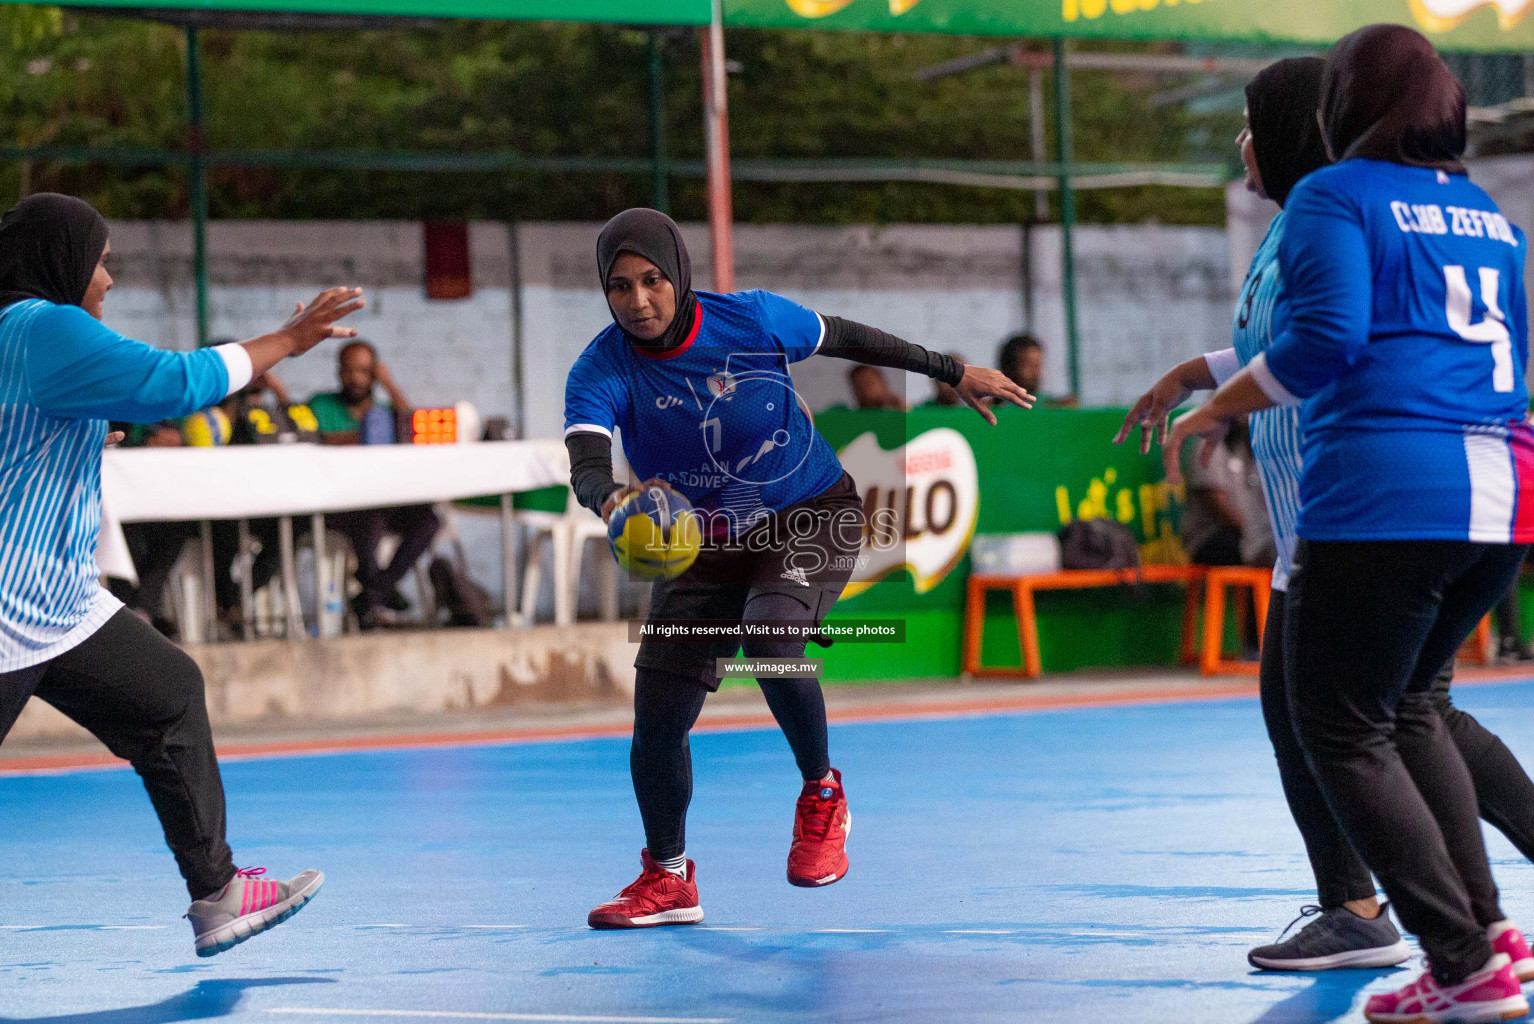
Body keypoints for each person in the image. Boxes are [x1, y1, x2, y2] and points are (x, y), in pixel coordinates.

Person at [1165, 28, 1534, 1021]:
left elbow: (1323, 341)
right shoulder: (1488, 216)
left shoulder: (1334, 196)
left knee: (1340, 724)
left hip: (1384, 492)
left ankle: (1456, 957)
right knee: (1411, 709)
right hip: (1500, 497)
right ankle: (1486, 939)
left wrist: (1218, 404)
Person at [565, 208, 1030, 928]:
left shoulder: (751, 320)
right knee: (656, 718)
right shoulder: (602, 368)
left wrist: (951, 369)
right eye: (619, 287)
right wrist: (616, 500)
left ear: (679, 275)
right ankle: (668, 877)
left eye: (653, 280)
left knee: (773, 639)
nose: (639, 302)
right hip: (702, 541)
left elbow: (847, 336)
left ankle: (821, 793)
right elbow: (588, 463)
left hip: (809, 510)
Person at [0, 193, 363, 956]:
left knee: (167, 693)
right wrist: (286, 341)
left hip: (55, 603)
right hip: (7, 607)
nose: (108, 279)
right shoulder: (42, 325)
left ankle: (217, 893)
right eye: (100, 260)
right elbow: (177, 381)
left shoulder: (18, 337)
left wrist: (98, 424)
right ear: (61, 260)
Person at [308, 340, 439, 628]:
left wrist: (389, 385)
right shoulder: (320, 404)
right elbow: (314, 441)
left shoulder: (383, 410)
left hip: (384, 500)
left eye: (364, 371)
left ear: (374, 374)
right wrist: (369, 436)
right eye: (349, 370)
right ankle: (379, 595)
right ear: (338, 372)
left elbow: (411, 428)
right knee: (370, 521)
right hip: (339, 505)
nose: (356, 378)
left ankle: (371, 594)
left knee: (427, 520)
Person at [999, 333, 1076, 408]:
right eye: (1029, 365)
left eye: (1037, 365)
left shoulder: (1051, 405)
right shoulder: (995, 406)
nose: (1036, 373)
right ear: (1009, 368)